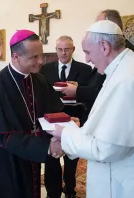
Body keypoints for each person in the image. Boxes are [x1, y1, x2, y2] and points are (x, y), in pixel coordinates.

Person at [47, 20, 134, 198]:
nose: (88, 59)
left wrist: (65, 133)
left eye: (88, 52)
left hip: (121, 180)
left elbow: (106, 148)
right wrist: (82, 130)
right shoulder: (126, 66)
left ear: (104, 47)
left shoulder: (126, 79)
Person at [0, 29, 65, 198]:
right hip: (5, 161)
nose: (40, 62)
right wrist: (47, 146)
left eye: (41, 55)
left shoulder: (38, 79)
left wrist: (61, 130)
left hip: (30, 155)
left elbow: (51, 113)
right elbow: (3, 136)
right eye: (33, 57)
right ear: (16, 57)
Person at [40, 36, 92, 198]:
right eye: (60, 49)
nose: (63, 53)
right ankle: (52, 193)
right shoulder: (45, 69)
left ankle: (70, 190)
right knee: (51, 158)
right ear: (56, 50)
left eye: (67, 49)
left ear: (73, 49)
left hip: (75, 116)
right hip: (52, 118)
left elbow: (89, 94)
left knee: (72, 158)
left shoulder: (85, 69)